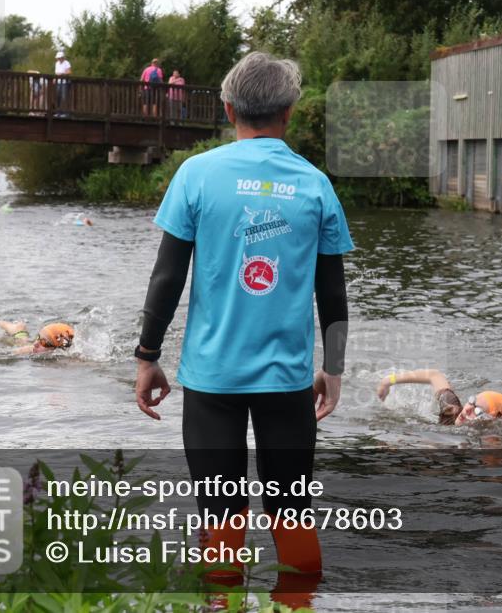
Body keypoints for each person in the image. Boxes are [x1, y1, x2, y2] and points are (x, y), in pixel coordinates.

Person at [133, 52, 353, 604]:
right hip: (287, 383)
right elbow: (333, 294)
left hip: (212, 381)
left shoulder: (196, 175)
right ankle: (297, 605)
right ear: (290, 113)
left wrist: (147, 356)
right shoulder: (315, 184)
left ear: (228, 108)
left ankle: (221, 602)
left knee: (220, 512)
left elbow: (167, 278)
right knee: (292, 509)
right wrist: (333, 369)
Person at [376, 369, 502, 425]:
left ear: (492, 421)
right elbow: (434, 376)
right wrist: (388, 380)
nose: (467, 410)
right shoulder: (452, 410)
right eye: (471, 402)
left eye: (478, 411)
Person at [0, 320, 75, 355]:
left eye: (43, 342)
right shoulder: (29, 349)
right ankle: (18, 328)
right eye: (38, 337)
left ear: (56, 349)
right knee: (21, 342)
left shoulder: (61, 355)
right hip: (25, 347)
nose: (36, 344)